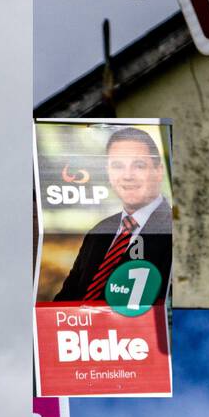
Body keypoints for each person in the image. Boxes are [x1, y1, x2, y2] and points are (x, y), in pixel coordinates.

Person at [54, 126, 173, 302]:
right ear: (108, 172)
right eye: (117, 166)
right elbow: (66, 299)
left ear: (158, 171)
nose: (127, 176)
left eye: (138, 165)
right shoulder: (99, 231)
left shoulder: (176, 230)